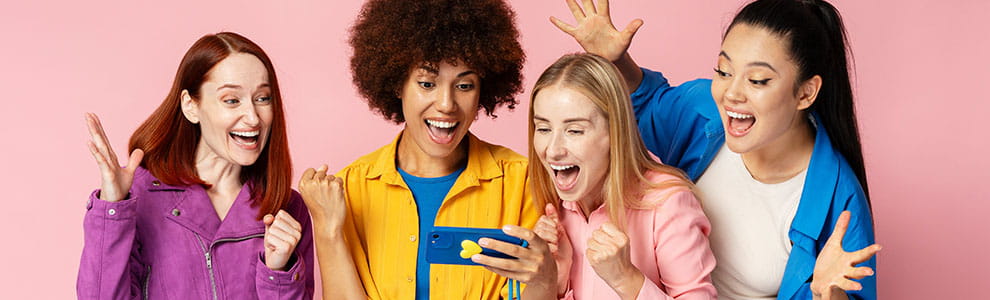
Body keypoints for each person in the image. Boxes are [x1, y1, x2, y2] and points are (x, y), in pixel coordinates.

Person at [551, 0, 880, 299]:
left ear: (806, 93)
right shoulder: (704, 109)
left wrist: (828, 295)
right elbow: (649, 106)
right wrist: (616, 60)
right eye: (724, 71)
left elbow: (846, 291)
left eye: (758, 80)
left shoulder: (839, 199)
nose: (731, 93)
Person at [297, 1, 544, 299]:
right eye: (427, 83)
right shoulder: (349, 187)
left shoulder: (523, 182)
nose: (446, 104)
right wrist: (328, 229)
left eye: (464, 86)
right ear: (397, 84)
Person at [77, 32, 313, 299]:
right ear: (191, 106)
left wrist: (278, 273)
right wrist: (112, 208)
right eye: (232, 100)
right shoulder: (139, 198)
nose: (253, 117)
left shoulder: (287, 208)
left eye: (262, 98)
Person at [523, 53, 716, 299]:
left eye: (574, 130)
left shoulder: (668, 202)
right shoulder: (553, 208)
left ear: (615, 132)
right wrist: (553, 278)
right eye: (543, 128)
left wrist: (626, 279)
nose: (553, 150)